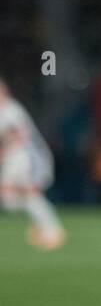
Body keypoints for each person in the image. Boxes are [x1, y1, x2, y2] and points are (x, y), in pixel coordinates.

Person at [0, 78, 65, 250]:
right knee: (10, 200)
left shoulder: (11, 110)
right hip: (13, 159)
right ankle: (41, 223)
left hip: (26, 158)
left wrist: (5, 152)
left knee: (27, 194)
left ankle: (52, 230)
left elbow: (22, 136)